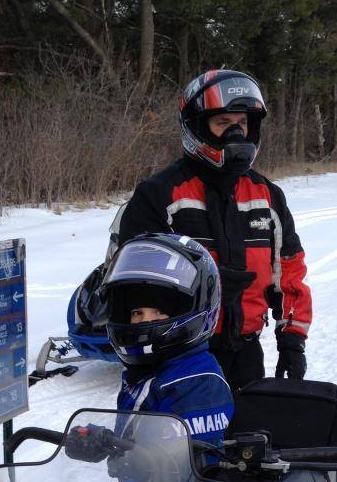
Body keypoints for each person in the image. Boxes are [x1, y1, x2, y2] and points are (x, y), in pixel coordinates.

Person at [115, 69, 312, 391]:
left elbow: (289, 271)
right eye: (223, 124)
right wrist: (209, 283)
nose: (236, 133)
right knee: (185, 440)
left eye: (242, 124)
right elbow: (136, 283)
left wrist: (292, 339)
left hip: (247, 349)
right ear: (197, 126)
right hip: (180, 355)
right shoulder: (160, 194)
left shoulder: (267, 196)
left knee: (250, 436)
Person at [100, 232, 235, 447]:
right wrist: (103, 442)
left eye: (158, 312)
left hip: (184, 480)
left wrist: (128, 456)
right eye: (137, 313)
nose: (145, 321)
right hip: (142, 479)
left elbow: (193, 464)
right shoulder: (146, 371)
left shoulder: (198, 382)